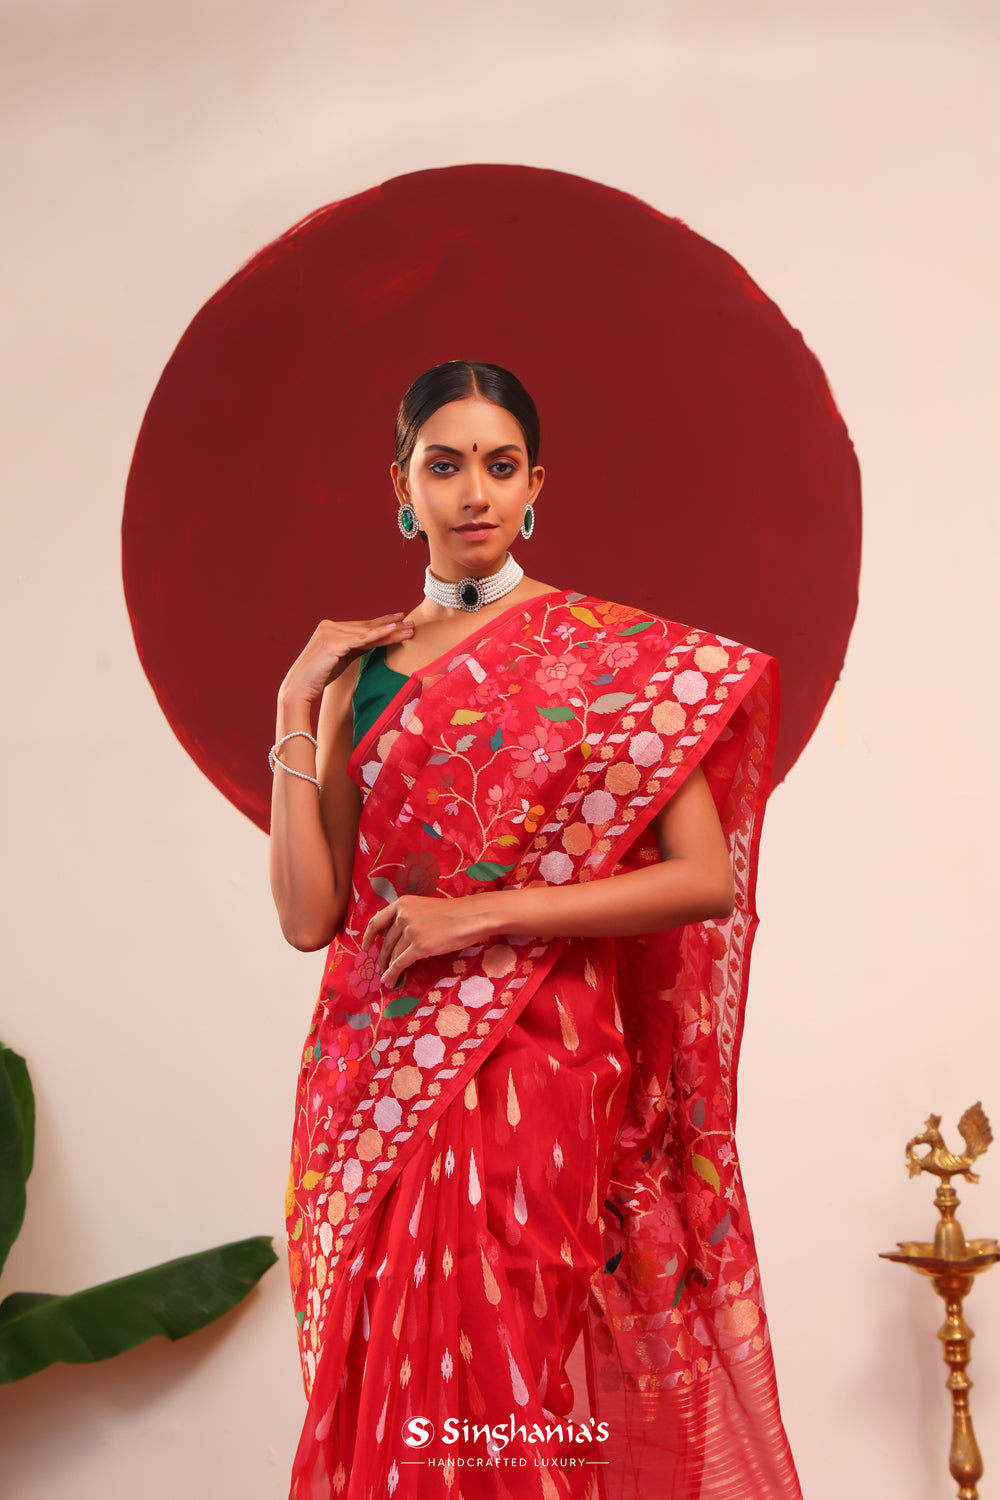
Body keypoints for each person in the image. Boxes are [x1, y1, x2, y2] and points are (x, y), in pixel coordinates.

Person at [270, 361, 801, 1500]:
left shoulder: (613, 669)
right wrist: (290, 709)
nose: (473, 493)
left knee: (505, 1366)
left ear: (534, 486)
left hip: (541, 1060)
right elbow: (312, 917)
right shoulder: (352, 676)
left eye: (498, 467)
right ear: (401, 490)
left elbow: (702, 880)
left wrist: (486, 914)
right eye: (444, 465)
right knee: (385, 1373)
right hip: (372, 1070)